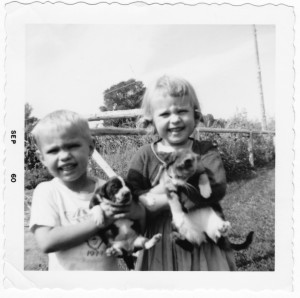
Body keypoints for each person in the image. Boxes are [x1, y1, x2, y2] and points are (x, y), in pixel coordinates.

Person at [127, 75, 236, 271]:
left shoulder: (205, 150)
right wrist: (147, 200)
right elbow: (133, 195)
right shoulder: (144, 156)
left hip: (201, 234)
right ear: (151, 118)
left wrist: (159, 198)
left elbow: (216, 188)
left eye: (182, 111)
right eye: (165, 114)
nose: (175, 119)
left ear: (195, 114)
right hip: (160, 242)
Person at [29, 110, 144, 270]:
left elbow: (138, 219)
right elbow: (47, 242)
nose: (64, 156)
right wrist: (101, 222)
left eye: (72, 146)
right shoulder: (47, 191)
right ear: (42, 159)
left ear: (90, 148)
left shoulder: (108, 189)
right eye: (53, 150)